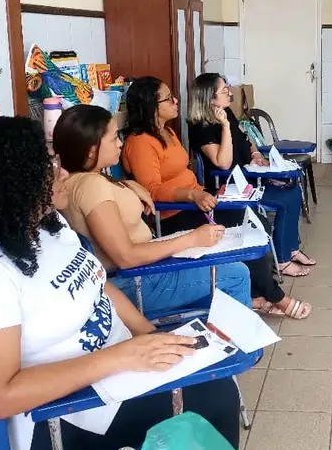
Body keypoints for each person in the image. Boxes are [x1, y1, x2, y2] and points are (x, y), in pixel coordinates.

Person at [0, 117, 239, 450]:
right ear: (10, 180)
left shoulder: (49, 227)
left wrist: (149, 335)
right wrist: (121, 357)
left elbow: (100, 286)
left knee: (218, 377)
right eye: (50, 165)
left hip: (118, 375)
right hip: (66, 415)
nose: (63, 173)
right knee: (214, 398)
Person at [122, 77, 311, 318]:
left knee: (254, 221)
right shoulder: (140, 143)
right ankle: (276, 297)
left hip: (198, 201)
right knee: (243, 226)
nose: (176, 100)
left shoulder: (167, 132)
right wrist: (192, 194)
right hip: (175, 213)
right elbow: (151, 190)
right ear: (151, 106)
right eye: (168, 98)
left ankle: (257, 293)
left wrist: (202, 192)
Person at [53, 104, 252, 313]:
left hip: (142, 270)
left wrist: (130, 185)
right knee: (236, 273)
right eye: (113, 138)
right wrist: (192, 239)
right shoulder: (91, 186)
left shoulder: (81, 180)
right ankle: (233, 332)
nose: (120, 143)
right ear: (91, 149)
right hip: (133, 281)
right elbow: (126, 258)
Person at [188, 73, 314, 317]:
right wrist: (225, 127)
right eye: (224, 91)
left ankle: (289, 250)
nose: (230, 93)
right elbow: (223, 163)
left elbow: (246, 140)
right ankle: (281, 263)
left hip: (249, 176)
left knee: (291, 191)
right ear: (210, 99)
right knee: (275, 207)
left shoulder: (228, 113)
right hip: (229, 187)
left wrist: (255, 154)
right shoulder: (201, 128)